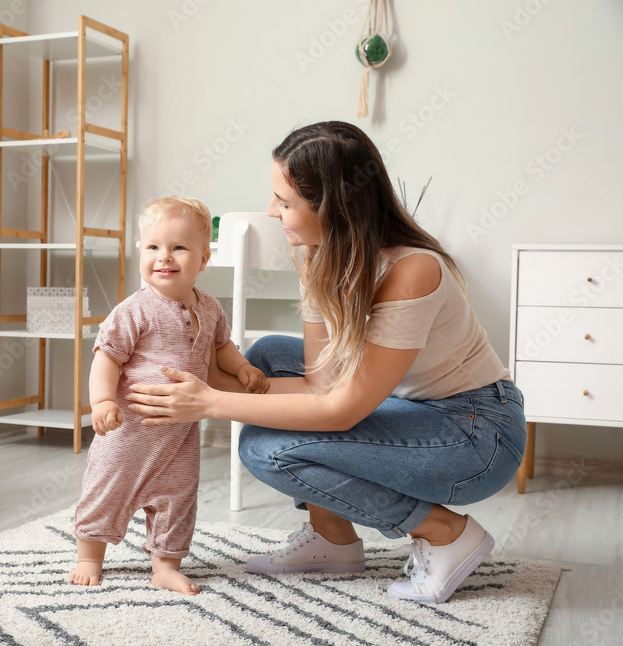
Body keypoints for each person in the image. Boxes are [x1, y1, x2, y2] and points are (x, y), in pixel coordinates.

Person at [124, 121, 527, 604]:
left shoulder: (412, 270)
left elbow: (341, 409)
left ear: (333, 205)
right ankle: (333, 540)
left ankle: (444, 531)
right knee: (269, 355)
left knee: (265, 449)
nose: (274, 212)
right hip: (407, 406)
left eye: (286, 202)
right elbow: (321, 383)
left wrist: (211, 402)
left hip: (476, 433)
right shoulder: (319, 257)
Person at [68, 196, 268, 595]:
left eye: (178, 247)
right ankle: (89, 556)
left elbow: (222, 347)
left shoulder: (209, 308)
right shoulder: (134, 310)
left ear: (203, 259)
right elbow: (106, 359)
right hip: (128, 432)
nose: (165, 257)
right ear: (141, 252)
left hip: (179, 434)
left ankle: (165, 564)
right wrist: (103, 402)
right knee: (106, 490)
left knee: (178, 499)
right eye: (154, 247)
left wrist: (242, 366)